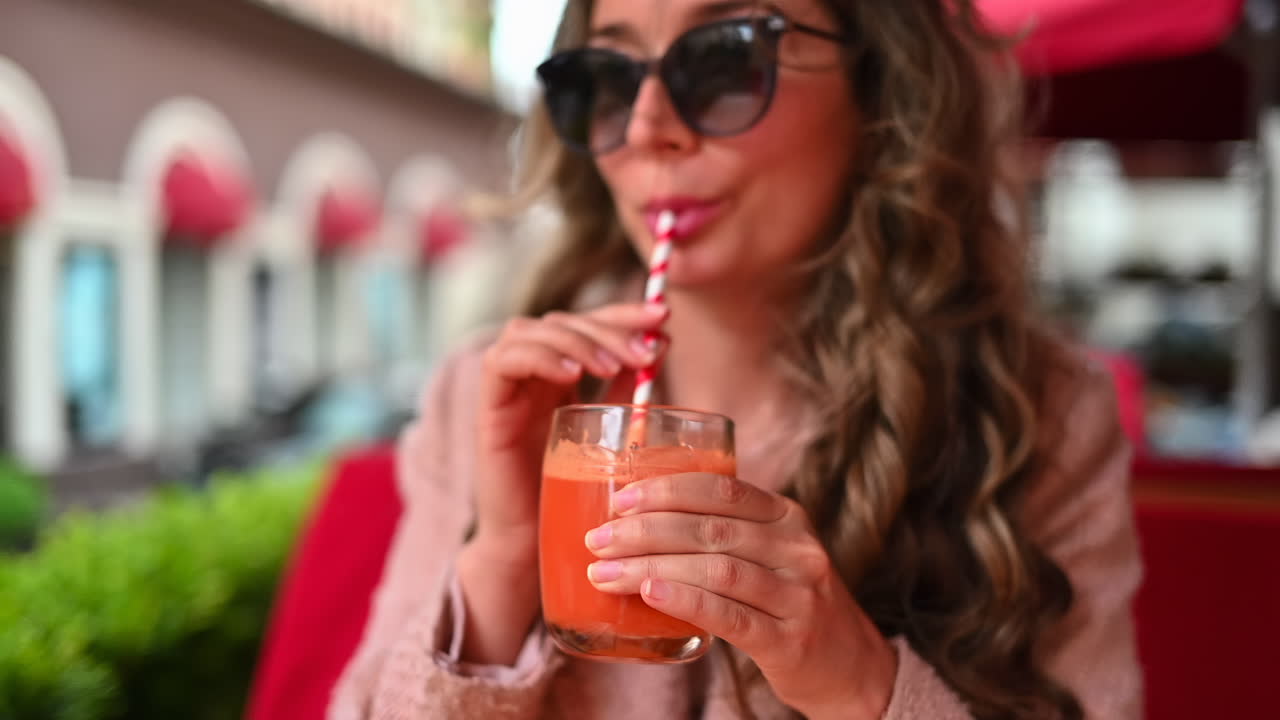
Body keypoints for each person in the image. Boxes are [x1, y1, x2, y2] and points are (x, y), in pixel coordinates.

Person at [329, 0, 1142, 718]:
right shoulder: (494, 398)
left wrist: (861, 689)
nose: (648, 126)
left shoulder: (1034, 415)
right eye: (609, 77)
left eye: (724, 58)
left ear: (878, 85)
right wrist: (503, 559)